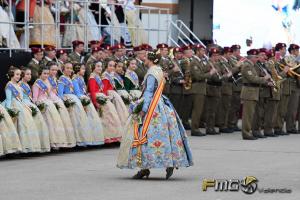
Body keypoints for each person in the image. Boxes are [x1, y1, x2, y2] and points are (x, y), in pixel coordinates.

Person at [117, 51, 193, 179]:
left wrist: (143, 109)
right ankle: (169, 163)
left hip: (153, 106)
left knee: (144, 134)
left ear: (150, 60)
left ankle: (144, 167)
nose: (144, 60)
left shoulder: (152, 73)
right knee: (166, 134)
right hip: (162, 104)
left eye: (146, 58)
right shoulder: (159, 70)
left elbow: (149, 92)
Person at [3, 66, 41, 153]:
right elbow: (8, 99)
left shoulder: (18, 85)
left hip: (20, 104)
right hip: (13, 105)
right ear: (12, 74)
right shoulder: (9, 85)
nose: (19, 76)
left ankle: (25, 147)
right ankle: (15, 148)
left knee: (25, 125)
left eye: (20, 75)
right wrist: (9, 110)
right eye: (17, 74)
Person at [58, 62, 96, 146]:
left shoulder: (70, 78)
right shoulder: (62, 78)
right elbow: (60, 94)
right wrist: (65, 102)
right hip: (68, 99)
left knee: (79, 119)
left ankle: (81, 139)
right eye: (67, 68)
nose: (69, 70)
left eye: (71, 68)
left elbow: (75, 92)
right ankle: (76, 140)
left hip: (74, 98)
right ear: (63, 69)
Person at [32, 66, 71, 148]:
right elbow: (35, 97)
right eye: (44, 74)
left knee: (55, 122)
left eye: (47, 74)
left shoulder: (47, 82)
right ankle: (49, 143)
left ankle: (56, 142)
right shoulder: (37, 83)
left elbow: (49, 94)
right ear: (40, 74)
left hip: (48, 102)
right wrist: (36, 105)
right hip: (42, 103)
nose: (46, 75)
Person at [241, 49, 273, 140]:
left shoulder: (253, 65)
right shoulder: (247, 66)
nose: (258, 58)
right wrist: (265, 79)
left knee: (251, 114)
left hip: (253, 91)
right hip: (249, 92)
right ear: (251, 57)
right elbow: (253, 79)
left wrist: (267, 82)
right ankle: (246, 133)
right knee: (248, 115)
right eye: (256, 57)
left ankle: (249, 131)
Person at [88, 61, 122, 143]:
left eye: (100, 66)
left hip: (102, 97)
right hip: (98, 97)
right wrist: (95, 102)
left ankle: (112, 136)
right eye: (97, 66)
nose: (100, 68)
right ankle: (107, 136)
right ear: (93, 67)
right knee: (106, 117)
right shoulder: (92, 77)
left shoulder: (97, 76)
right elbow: (92, 91)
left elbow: (102, 89)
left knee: (111, 116)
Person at [72, 63, 105, 145]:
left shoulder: (81, 78)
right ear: (77, 69)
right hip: (81, 98)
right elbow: (77, 92)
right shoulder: (75, 79)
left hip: (85, 97)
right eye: (82, 69)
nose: (84, 70)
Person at [20, 67, 51, 152]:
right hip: (24, 103)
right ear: (22, 75)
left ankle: (36, 145)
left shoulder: (27, 84)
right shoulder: (20, 84)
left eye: (30, 74)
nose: (29, 76)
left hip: (29, 103)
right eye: (27, 74)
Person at [47, 62, 77, 147]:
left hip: (56, 99)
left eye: (56, 70)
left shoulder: (55, 79)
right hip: (51, 99)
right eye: (52, 70)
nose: (54, 72)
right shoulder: (48, 79)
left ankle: (63, 141)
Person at [102, 59, 129, 125]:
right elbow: (104, 88)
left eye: (113, 66)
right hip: (109, 95)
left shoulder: (110, 74)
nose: (112, 67)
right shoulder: (105, 75)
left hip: (113, 95)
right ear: (106, 66)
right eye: (110, 66)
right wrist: (107, 98)